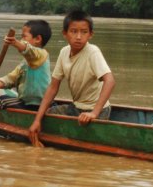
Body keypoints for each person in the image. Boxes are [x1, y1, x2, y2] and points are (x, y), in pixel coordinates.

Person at [28, 10, 116, 147]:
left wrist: (94, 113)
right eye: (73, 31)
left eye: (84, 32)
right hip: (76, 108)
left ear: (90, 34)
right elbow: (53, 87)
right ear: (65, 33)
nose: (79, 37)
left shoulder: (93, 52)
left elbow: (109, 81)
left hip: (97, 110)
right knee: (47, 114)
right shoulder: (64, 52)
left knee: (82, 138)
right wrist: (37, 120)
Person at [0, 20, 52, 110]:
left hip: (38, 104)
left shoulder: (42, 54)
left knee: (2, 101)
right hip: (27, 103)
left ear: (38, 39)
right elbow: (10, 78)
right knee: (4, 99)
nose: (22, 40)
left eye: (24, 37)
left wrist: (15, 42)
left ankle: (1, 121)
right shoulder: (25, 63)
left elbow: (29, 50)